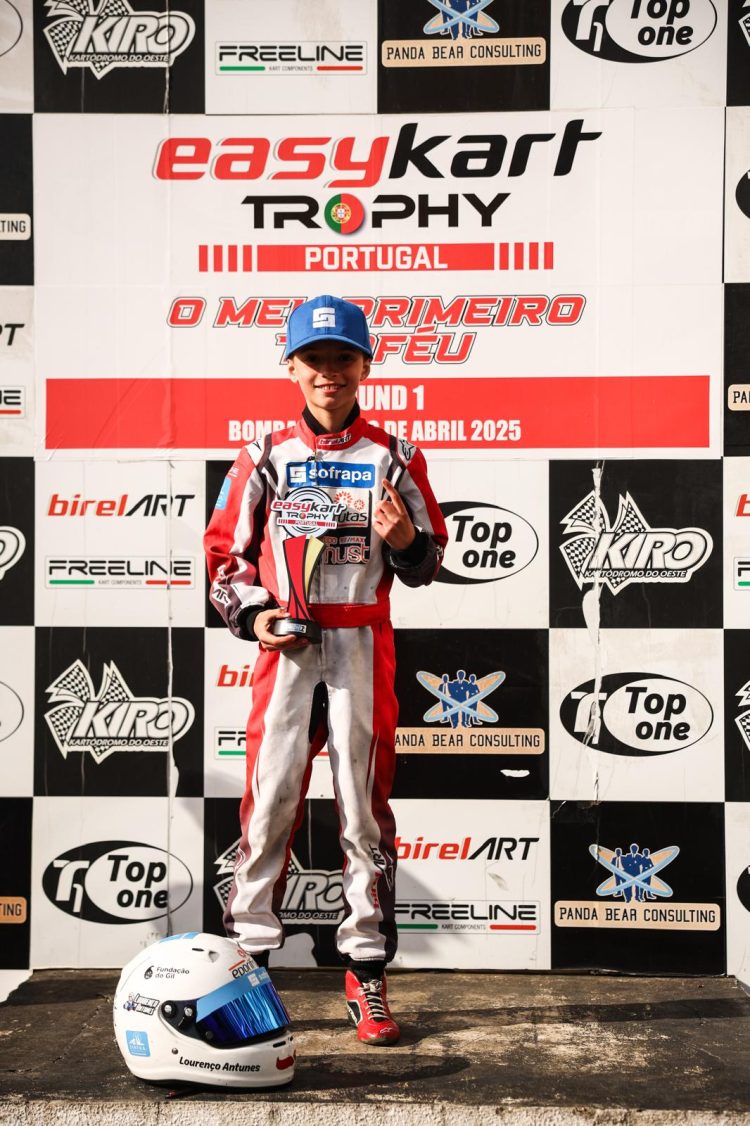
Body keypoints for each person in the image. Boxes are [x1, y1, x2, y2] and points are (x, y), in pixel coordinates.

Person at [204, 295, 448, 1046]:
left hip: (360, 645)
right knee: (268, 808)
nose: (328, 372)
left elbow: (429, 561)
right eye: (314, 359)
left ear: (366, 366)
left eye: (343, 358)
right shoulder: (263, 456)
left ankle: (365, 972)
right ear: (290, 368)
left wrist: (405, 542)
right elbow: (223, 559)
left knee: (362, 813)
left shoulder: (396, 456)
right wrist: (255, 617)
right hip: (286, 652)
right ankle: (247, 969)